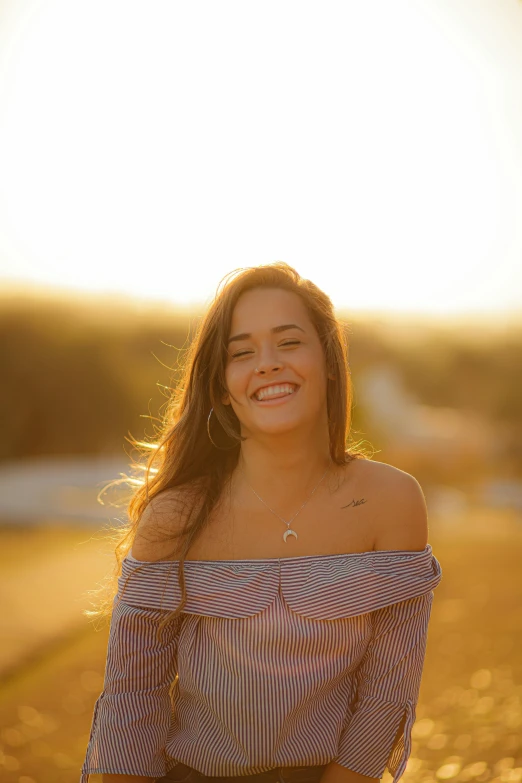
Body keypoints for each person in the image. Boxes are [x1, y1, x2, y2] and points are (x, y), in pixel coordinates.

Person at [80, 261, 442, 783]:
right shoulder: (174, 517)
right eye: (241, 353)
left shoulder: (392, 500)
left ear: (330, 363)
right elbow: (133, 700)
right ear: (223, 387)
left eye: (289, 343)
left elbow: (386, 697)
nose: (266, 365)